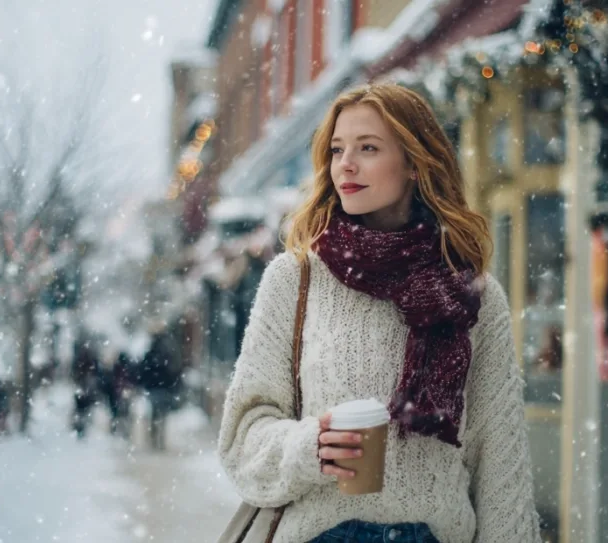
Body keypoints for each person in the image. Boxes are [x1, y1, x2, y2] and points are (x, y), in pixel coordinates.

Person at [218, 84, 541, 543]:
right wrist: (311, 448)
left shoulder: (473, 296)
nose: (346, 164)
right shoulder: (295, 279)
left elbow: (501, 463)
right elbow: (242, 440)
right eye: (337, 150)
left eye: (367, 148)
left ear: (414, 163)